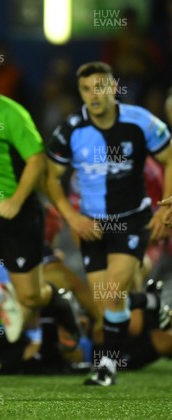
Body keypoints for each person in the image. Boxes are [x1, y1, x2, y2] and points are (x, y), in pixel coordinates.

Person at [0, 50, 81, 379]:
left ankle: (61, 306)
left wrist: (17, 199)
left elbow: (37, 160)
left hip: (19, 215)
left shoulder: (11, 113)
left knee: (31, 296)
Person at [45, 61, 172, 386]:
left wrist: (166, 205)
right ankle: (152, 301)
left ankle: (106, 367)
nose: (93, 95)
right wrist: (72, 217)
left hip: (131, 221)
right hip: (92, 226)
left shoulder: (140, 121)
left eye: (100, 87)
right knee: (105, 303)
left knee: (113, 292)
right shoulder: (71, 129)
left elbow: (169, 157)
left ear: (113, 88)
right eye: (86, 89)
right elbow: (52, 177)